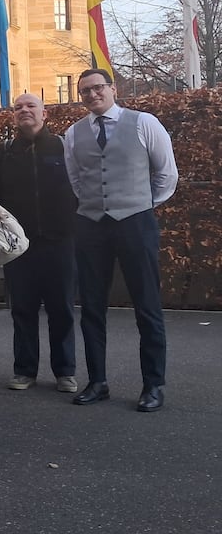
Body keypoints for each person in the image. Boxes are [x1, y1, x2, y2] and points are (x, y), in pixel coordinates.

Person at [63, 68, 178, 412]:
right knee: (91, 307)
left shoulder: (144, 123)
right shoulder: (73, 133)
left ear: (113, 88)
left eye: (98, 87)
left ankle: (153, 385)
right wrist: (97, 205)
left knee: (147, 305)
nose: (92, 94)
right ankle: (97, 381)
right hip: (91, 224)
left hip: (136, 223)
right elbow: (76, 180)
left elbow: (166, 173)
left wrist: (141, 204)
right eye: (85, 91)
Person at [0, 94, 78, 394]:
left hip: (60, 241)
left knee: (61, 309)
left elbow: (80, 188)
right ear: (13, 116)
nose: (24, 111)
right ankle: (24, 370)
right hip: (19, 246)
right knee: (22, 309)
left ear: (44, 114)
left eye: (30, 106)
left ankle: (65, 371)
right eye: (18, 108)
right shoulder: (4, 152)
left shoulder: (64, 147)